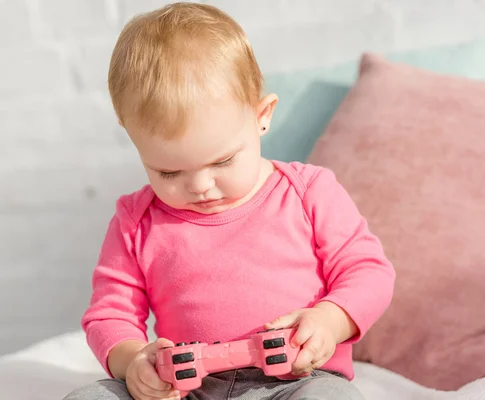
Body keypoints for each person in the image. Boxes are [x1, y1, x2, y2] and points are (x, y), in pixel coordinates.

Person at [63, 2, 395, 399]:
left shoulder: (309, 193)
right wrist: (134, 361)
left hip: (295, 382)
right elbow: (110, 314)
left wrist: (330, 320)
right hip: (185, 390)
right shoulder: (136, 220)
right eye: (168, 172)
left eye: (222, 160)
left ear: (262, 116)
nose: (200, 186)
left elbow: (370, 273)